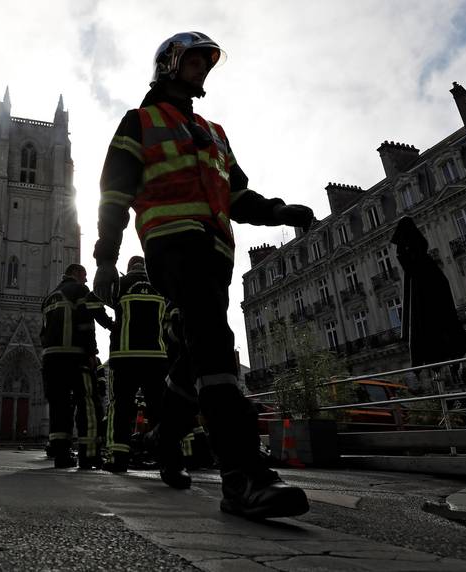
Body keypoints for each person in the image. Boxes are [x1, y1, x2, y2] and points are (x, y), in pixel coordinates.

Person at [93, 32, 314, 519]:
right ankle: (243, 476)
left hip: (216, 253)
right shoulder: (139, 122)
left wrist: (278, 211)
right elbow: (115, 193)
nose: (202, 69)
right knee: (216, 349)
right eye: (194, 60)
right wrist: (106, 258)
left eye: (206, 63)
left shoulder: (214, 133)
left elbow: (237, 197)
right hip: (172, 245)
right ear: (169, 65)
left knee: (192, 359)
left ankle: (164, 440)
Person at [102, 255, 183, 484]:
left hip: (124, 356)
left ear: (129, 268)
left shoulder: (120, 284)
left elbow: (95, 299)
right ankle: (170, 462)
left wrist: (111, 325)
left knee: (121, 407)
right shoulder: (160, 285)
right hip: (155, 357)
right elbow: (171, 318)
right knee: (160, 409)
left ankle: (118, 458)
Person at [41, 263, 114, 469]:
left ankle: (61, 455)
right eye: (85, 275)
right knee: (88, 404)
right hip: (74, 357)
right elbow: (88, 321)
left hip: (50, 360)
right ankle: (89, 455)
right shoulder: (79, 290)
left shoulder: (50, 297)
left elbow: (42, 333)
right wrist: (92, 350)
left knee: (59, 406)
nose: (86, 279)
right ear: (76, 273)